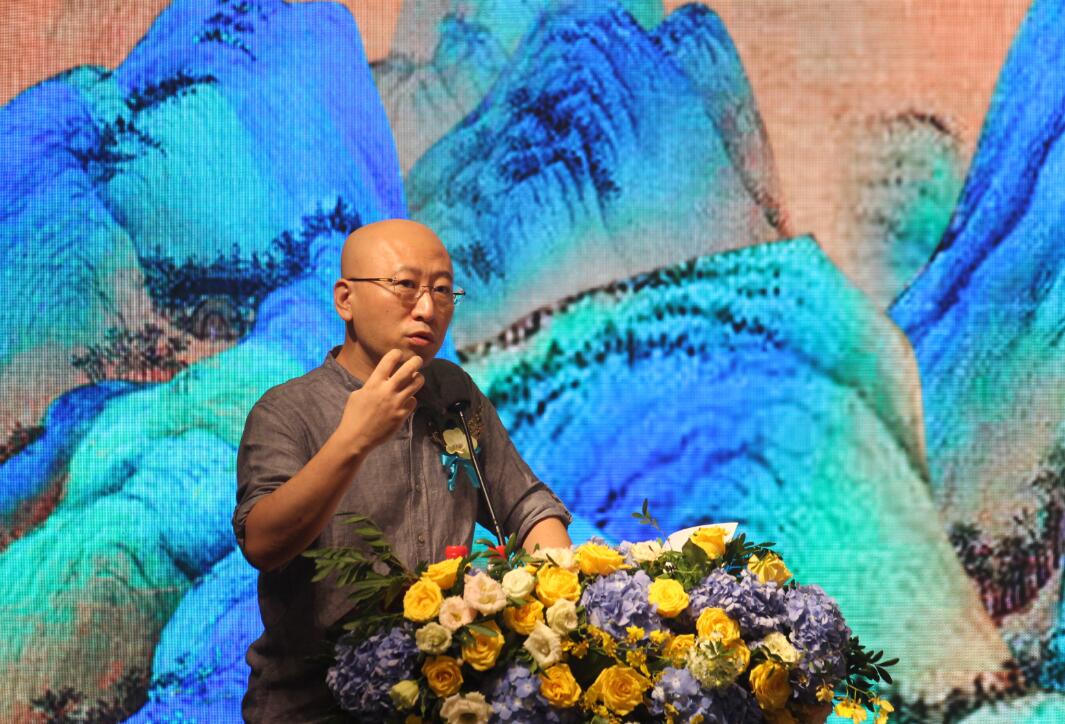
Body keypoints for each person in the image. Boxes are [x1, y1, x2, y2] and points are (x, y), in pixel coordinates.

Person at [232, 219, 572, 722]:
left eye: (442, 291)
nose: (428, 308)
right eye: (406, 285)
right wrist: (353, 439)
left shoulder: (452, 392)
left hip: (442, 696)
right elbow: (262, 544)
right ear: (345, 300)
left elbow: (527, 507)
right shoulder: (287, 411)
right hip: (314, 706)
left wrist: (562, 604)